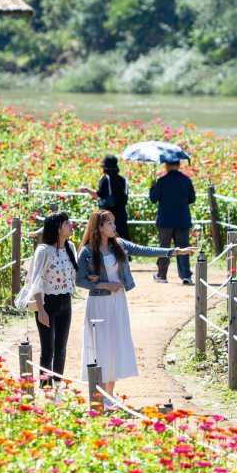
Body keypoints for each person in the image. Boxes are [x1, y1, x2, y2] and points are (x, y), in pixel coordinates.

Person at [75, 209, 193, 404]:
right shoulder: (87, 252)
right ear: (99, 227)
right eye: (110, 223)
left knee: (114, 345)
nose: (114, 227)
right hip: (99, 302)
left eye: (114, 222)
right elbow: (79, 280)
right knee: (101, 347)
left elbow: (144, 250)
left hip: (118, 301)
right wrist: (104, 284)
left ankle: (109, 395)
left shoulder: (119, 245)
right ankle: (99, 394)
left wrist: (174, 252)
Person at [17, 212, 78, 388]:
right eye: (66, 222)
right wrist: (41, 309)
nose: (70, 225)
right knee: (48, 349)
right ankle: (45, 387)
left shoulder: (70, 247)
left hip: (66, 301)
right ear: (58, 228)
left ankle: (58, 385)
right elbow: (36, 280)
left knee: (61, 348)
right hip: (47, 304)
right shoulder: (43, 250)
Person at [149, 159, 196, 285]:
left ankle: (162, 275)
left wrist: (153, 187)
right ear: (179, 165)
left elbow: (153, 198)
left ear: (167, 165)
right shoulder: (186, 180)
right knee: (183, 247)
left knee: (164, 248)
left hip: (165, 220)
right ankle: (185, 275)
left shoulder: (162, 181)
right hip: (182, 219)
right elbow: (192, 199)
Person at [94, 155, 130, 240]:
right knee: (122, 238)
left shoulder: (106, 178)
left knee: (109, 239)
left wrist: (86, 190)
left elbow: (100, 194)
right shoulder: (123, 180)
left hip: (109, 215)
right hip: (122, 214)